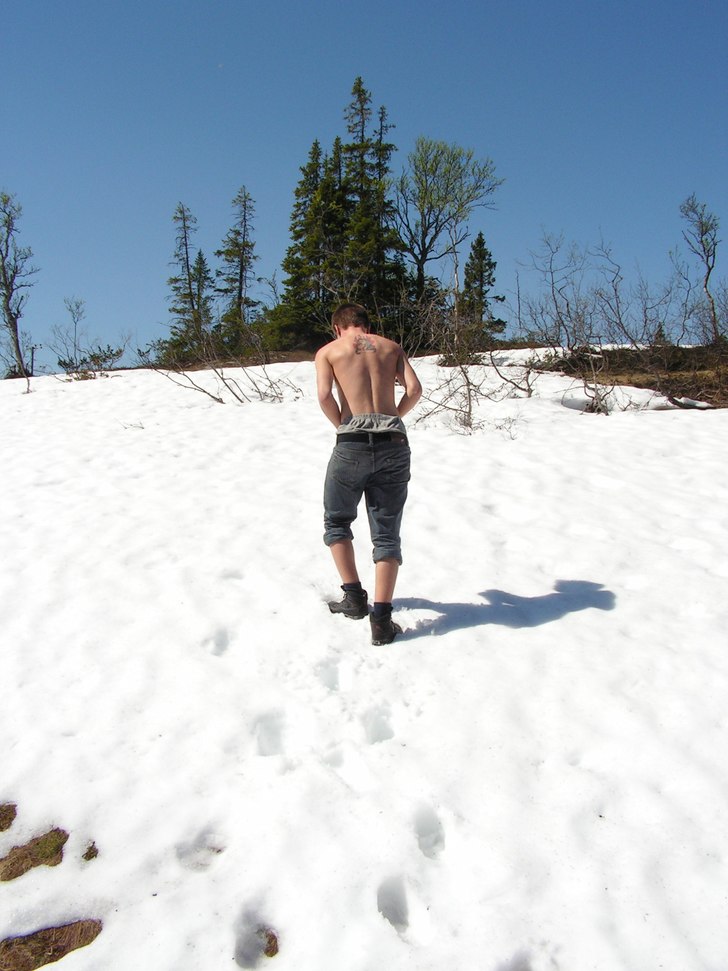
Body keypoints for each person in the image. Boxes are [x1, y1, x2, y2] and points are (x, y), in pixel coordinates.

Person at [315, 303, 422, 645]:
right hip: (394, 442)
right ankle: (382, 620)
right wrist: (395, 417)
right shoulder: (391, 347)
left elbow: (323, 396)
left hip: (352, 444)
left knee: (337, 521)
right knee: (387, 534)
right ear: (366, 325)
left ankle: (354, 597)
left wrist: (344, 427)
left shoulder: (330, 351)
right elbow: (415, 390)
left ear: (338, 328)